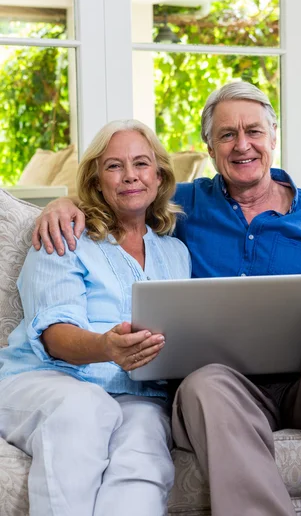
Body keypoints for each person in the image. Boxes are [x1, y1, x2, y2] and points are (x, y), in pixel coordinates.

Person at [33, 81, 301, 516]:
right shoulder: (184, 205)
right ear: (209, 146)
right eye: (227, 134)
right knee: (203, 383)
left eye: (254, 132)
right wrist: (63, 203)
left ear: (273, 137)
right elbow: (125, 191)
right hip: (225, 389)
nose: (242, 145)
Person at [0, 119, 191, 516]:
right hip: (46, 381)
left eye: (141, 163)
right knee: (86, 408)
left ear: (159, 176)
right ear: (96, 180)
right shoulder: (65, 234)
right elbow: (54, 335)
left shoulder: (176, 253)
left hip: (138, 394)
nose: (129, 176)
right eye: (114, 166)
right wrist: (106, 347)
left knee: (145, 454)